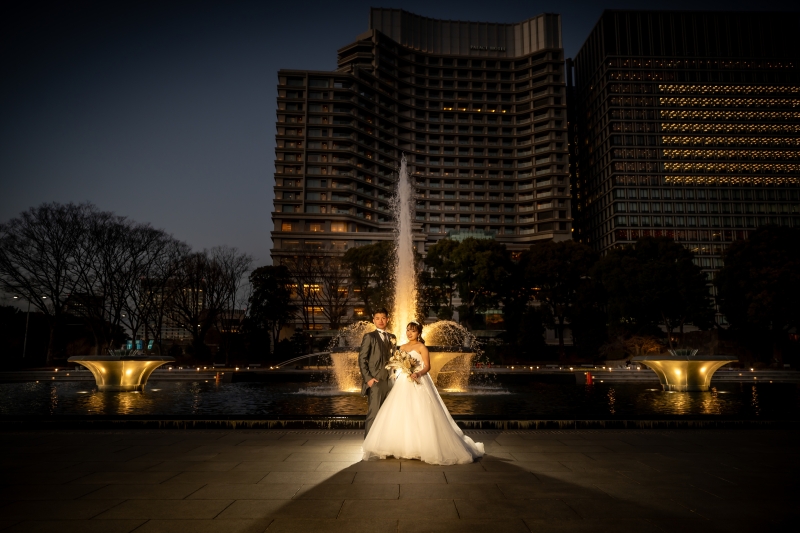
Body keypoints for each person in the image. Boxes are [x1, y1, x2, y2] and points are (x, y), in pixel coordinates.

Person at [362, 321, 484, 465]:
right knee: (401, 412)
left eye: (413, 331)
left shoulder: (422, 347)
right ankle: (400, 445)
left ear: (418, 333)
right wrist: (399, 371)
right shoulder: (401, 347)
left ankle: (423, 446)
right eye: (408, 330)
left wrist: (418, 373)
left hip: (419, 380)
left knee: (422, 412)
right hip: (403, 382)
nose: (409, 333)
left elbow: (427, 366)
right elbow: (396, 363)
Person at [358, 307, 396, 437]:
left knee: (389, 414)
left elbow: (395, 359)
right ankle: (369, 444)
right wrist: (368, 379)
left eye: (383, 318)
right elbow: (362, 359)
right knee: (373, 414)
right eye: (378, 318)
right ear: (373, 320)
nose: (381, 321)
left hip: (390, 382)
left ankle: (383, 443)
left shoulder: (392, 337)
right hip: (375, 381)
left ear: (388, 319)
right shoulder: (369, 337)